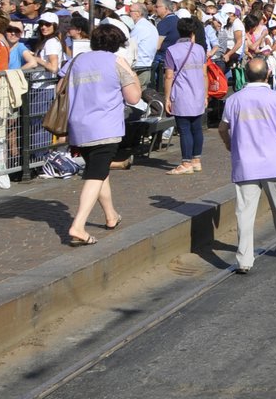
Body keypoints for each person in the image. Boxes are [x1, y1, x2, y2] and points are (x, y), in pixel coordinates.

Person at [60, 25, 145, 245]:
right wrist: (132, 74)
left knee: (99, 171)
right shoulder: (116, 62)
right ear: (116, 44)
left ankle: (111, 215)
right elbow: (134, 97)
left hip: (79, 125)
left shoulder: (77, 60)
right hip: (105, 127)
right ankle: (78, 225)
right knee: (94, 176)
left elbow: (59, 87)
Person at [218, 57, 276, 274]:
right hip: (272, 162)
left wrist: (229, 143)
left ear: (245, 75)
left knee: (245, 213)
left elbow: (222, 128)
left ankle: (244, 259)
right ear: (268, 75)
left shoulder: (234, 100)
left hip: (245, 163)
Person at [163, 16, 210, 175]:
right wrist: (205, 94)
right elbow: (204, 74)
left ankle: (186, 162)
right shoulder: (200, 49)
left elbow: (169, 76)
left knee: (184, 129)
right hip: (198, 93)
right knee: (196, 128)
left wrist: (167, 97)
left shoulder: (171, 50)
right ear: (193, 32)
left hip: (182, 93)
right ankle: (196, 160)